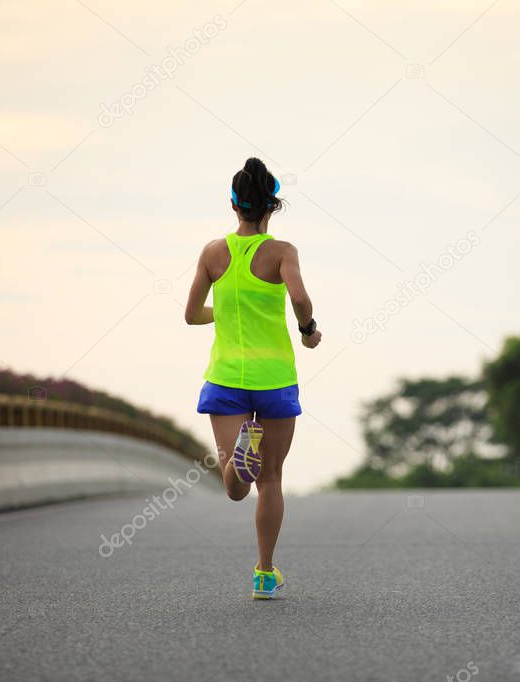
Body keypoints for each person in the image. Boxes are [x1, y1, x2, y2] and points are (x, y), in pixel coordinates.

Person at [184, 157, 321, 599]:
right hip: (275, 377)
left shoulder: (212, 252)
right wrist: (308, 330)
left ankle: (240, 457)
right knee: (273, 480)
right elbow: (299, 296)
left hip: (226, 377)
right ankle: (264, 573)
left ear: (233, 204)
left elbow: (190, 315)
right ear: (272, 207)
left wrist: (223, 312)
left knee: (236, 488)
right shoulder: (282, 253)